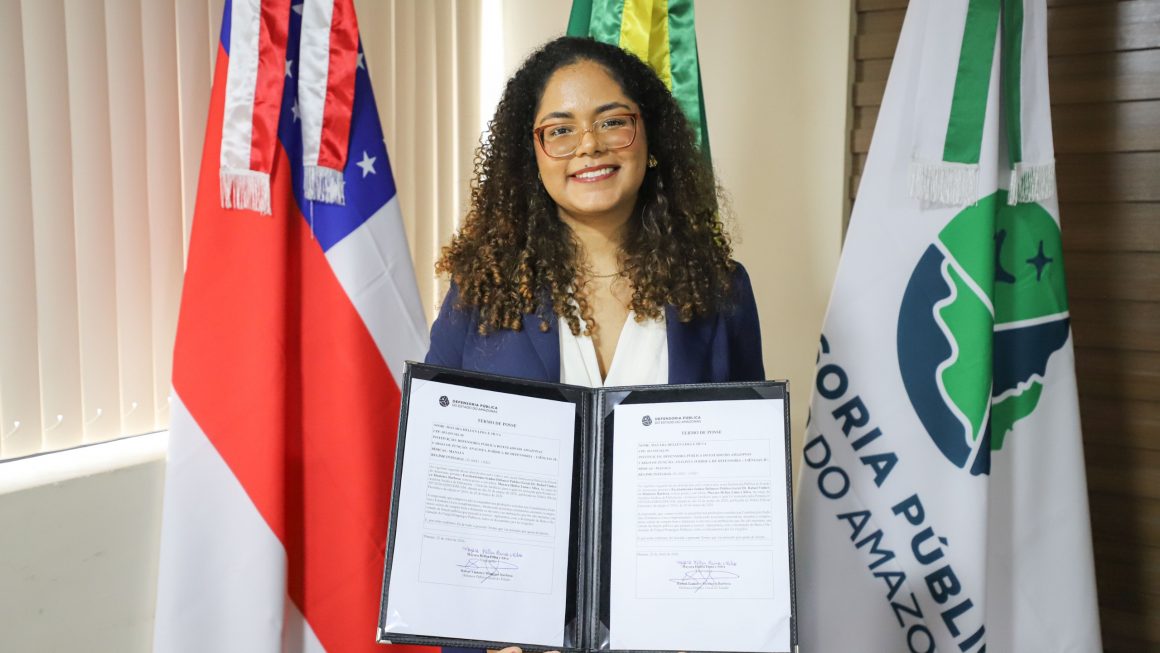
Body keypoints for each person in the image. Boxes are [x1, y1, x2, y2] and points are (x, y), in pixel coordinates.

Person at [426, 35, 763, 388]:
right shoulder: (481, 288)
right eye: (560, 130)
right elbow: (437, 432)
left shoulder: (720, 287)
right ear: (533, 158)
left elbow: (747, 435)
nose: (589, 145)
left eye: (613, 122)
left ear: (652, 138)